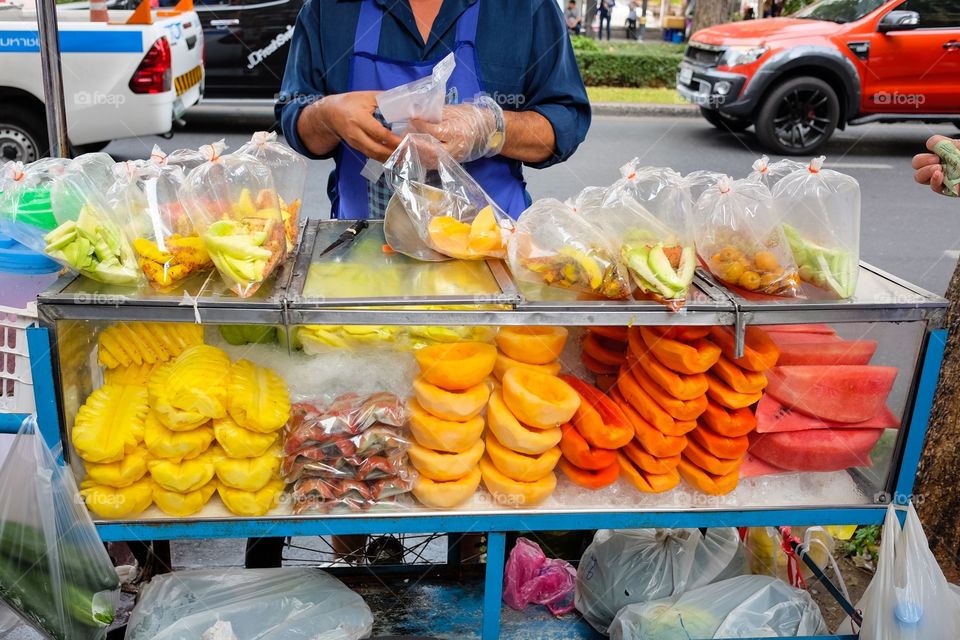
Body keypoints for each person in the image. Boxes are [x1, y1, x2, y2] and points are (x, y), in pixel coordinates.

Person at [275, 0, 591, 221]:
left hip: (493, 248)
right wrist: (327, 114)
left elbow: (564, 120)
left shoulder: (525, 7)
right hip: (363, 249)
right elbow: (296, 117)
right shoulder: (327, 9)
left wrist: (490, 127)